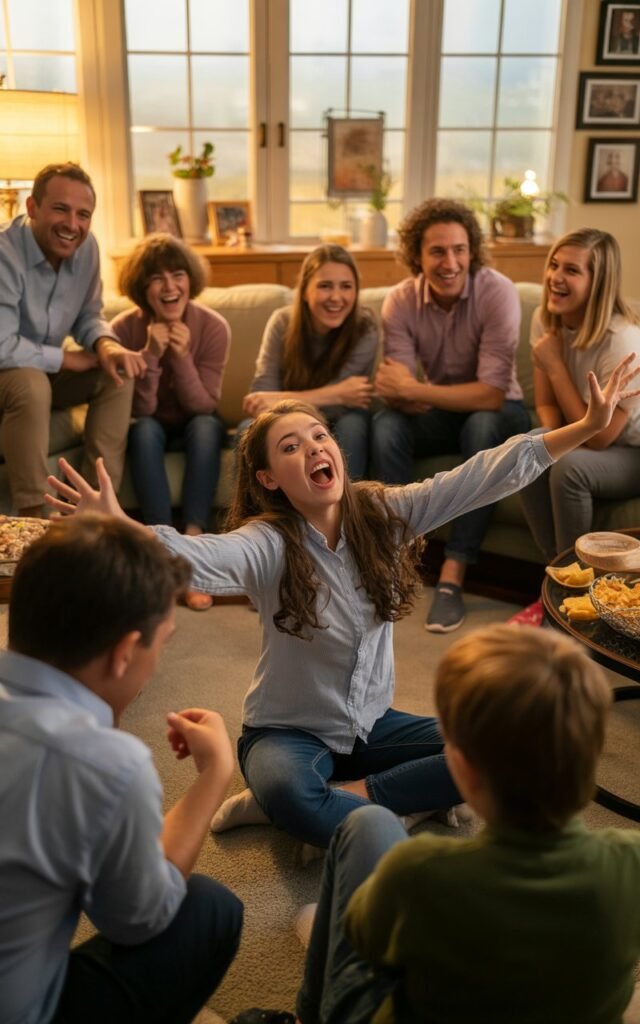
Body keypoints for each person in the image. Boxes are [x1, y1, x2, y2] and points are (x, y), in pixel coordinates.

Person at [46, 354, 640, 852]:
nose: (313, 448)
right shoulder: (267, 543)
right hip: (286, 733)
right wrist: (121, 525)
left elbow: (486, 472)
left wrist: (587, 426)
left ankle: (357, 802)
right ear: (270, 479)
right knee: (291, 793)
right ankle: (334, 810)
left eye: (319, 435)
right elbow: (197, 557)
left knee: (505, 744)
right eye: (289, 446)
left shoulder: (383, 513)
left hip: (373, 727)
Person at [265, 623, 640, 1024]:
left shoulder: (420, 871)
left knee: (369, 823)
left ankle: (309, 1017)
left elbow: (363, 939)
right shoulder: (631, 860)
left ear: (459, 768)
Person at [0, 514, 242, 1024]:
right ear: (125, 653)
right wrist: (214, 775)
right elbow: (138, 919)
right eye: (164, 642)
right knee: (208, 908)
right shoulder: (105, 763)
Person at [371, 198, 530, 634]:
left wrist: (415, 390)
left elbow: (492, 395)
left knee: (482, 425)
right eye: (437, 251)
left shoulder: (497, 291)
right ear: (417, 256)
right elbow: (394, 389)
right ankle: (396, 560)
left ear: (472, 251)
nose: (450, 262)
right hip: (442, 411)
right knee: (386, 426)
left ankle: (452, 574)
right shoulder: (400, 301)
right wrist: (406, 394)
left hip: (502, 414)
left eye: (459, 249)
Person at [0, 162, 146, 518]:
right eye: (61, 209)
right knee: (31, 384)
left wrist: (106, 346)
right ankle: (35, 518)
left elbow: (88, 315)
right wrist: (65, 359)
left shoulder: (87, 248)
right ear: (32, 207)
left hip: (44, 371)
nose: (73, 225)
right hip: (10, 374)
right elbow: (2, 346)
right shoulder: (4, 252)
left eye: (84, 215)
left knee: (118, 373)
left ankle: (95, 509)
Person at [111, 233, 230, 611]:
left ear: (189, 281)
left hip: (196, 424)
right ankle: (161, 546)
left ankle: (193, 542)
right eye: (156, 278)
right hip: (152, 426)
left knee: (208, 426)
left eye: (177, 275)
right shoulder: (122, 330)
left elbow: (203, 405)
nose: (169, 287)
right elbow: (141, 410)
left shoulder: (213, 327)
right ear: (140, 288)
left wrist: (179, 358)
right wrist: (149, 355)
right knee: (143, 430)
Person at [519, 229, 640, 571]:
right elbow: (546, 405)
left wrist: (556, 365)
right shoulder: (545, 319)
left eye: (571, 271)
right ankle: (558, 575)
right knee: (529, 447)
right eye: (554, 265)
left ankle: (579, 578)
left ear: (598, 283)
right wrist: (550, 446)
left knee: (569, 470)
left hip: (631, 450)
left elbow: (601, 438)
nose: (555, 278)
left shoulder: (623, 341)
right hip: (591, 435)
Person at [241, 244, 378, 480]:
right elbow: (262, 397)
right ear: (305, 291)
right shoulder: (282, 322)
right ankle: (264, 515)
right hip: (285, 421)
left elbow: (347, 402)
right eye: (325, 286)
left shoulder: (365, 327)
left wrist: (279, 398)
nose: (336, 297)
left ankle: (347, 512)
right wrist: (336, 393)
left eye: (346, 286)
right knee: (247, 430)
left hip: (343, 419)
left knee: (353, 424)